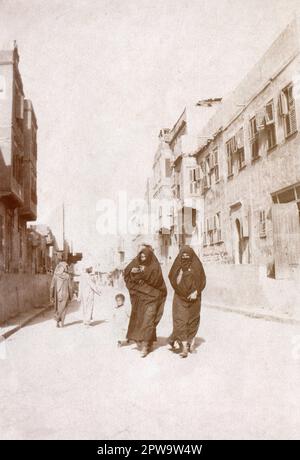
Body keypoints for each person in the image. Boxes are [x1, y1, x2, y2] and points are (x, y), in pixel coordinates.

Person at [124, 246, 167, 358]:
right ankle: (148, 341)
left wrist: (142, 273)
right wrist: (134, 273)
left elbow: (156, 280)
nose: (143, 258)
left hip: (152, 297)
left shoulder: (154, 265)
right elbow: (127, 273)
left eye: (145, 256)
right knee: (141, 320)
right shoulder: (136, 262)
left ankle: (145, 346)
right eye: (141, 256)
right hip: (140, 298)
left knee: (148, 320)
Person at [168, 245, 206, 358]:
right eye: (182, 255)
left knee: (193, 321)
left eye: (187, 255)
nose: (185, 257)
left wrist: (196, 292)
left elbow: (202, 280)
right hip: (180, 297)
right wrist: (180, 274)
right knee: (181, 321)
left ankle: (191, 344)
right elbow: (172, 279)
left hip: (195, 298)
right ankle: (184, 348)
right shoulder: (177, 265)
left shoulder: (197, 265)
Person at [50, 261, 73, 328]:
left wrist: (51, 296)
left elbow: (52, 286)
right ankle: (62, 323)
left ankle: (57, 322)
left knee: (58, 308)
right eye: (66, 267)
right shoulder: (67, 276)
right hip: (66, 294)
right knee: (64, 309)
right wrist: (71, 297)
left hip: (58, 294)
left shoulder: (55, 276)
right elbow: (70, 287)